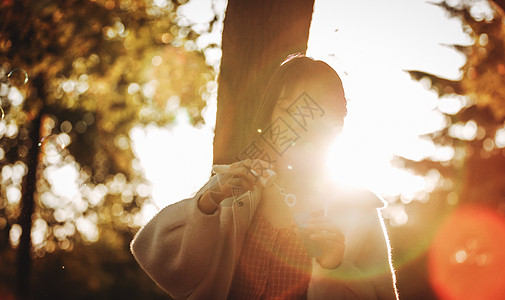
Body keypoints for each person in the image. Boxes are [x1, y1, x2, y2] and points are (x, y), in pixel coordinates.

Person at [131, 54, 399, 300]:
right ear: (270, 116)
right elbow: (162, 262)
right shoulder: (233, 190)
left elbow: (382, 294)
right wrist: (207, 204)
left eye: (311, 113)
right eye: (286, 110)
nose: (298, 127)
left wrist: (334, 268)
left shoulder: (357, 211)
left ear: (335, 126)